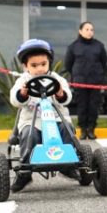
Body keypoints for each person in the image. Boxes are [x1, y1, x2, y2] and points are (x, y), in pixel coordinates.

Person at [9, 39, 77, 192]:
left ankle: (68, 165)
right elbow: (14, 99)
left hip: (56, 118)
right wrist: (23, 93)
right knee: (29, 134)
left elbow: (67, 99)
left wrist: (60, 93)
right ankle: (25, 170)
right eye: (34, 65)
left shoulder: (57, 79)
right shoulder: (23, 80)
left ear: (49, 63)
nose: (39, 69)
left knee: (67, 130)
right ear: (25, 66)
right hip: (33, 120)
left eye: (43, 64)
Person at [64, 21, 107, 140]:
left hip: (95, 81)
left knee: (94, 106)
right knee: (82, 106)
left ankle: (91, 129)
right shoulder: (74, 46)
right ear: (80, 31)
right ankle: (83, 129)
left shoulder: (99, 45)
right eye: (87, 29)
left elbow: (104, 62)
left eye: (91, 30)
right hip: (80, 81)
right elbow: (68, 64)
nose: (90, 32)